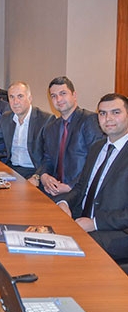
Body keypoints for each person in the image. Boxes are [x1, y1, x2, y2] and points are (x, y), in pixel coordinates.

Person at [56, 93, 128, 262]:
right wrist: (65, 202)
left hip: (117, 231)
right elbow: (82, 187)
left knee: (72, 248)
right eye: (102, 113)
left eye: (116, 112)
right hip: (84, 218)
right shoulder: (97, 147)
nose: (108, 118)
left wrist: (95, 223)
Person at [32, 77, 103, 197]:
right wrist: (44, 176)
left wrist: (70, 186)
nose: (58, 99)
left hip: (79, 191)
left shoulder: (89, 120)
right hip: (54, 189)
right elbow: (47, 159)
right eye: (53, 96)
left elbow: (96, 161)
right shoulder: (51, 127)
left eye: (63, 93)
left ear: (74, 95)